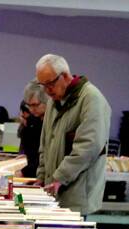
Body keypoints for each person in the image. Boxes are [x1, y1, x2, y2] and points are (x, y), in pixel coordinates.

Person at [35, 54, 111, 215]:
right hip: (53, 193)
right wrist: (41, 176)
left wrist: (59, 178)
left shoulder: (91, 99)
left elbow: (88, 148)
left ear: (64, 76)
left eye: (49, 84)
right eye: (42, 85)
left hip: (78, 199)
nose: (47, 91)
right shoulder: (53, 102)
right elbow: (45, 144)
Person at [19, 81, 47, 178]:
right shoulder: (32, 121)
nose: (31, 109)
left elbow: (41, 156)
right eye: (29, 105)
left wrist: (24, 172)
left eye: (35, 105)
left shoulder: (46, 123)